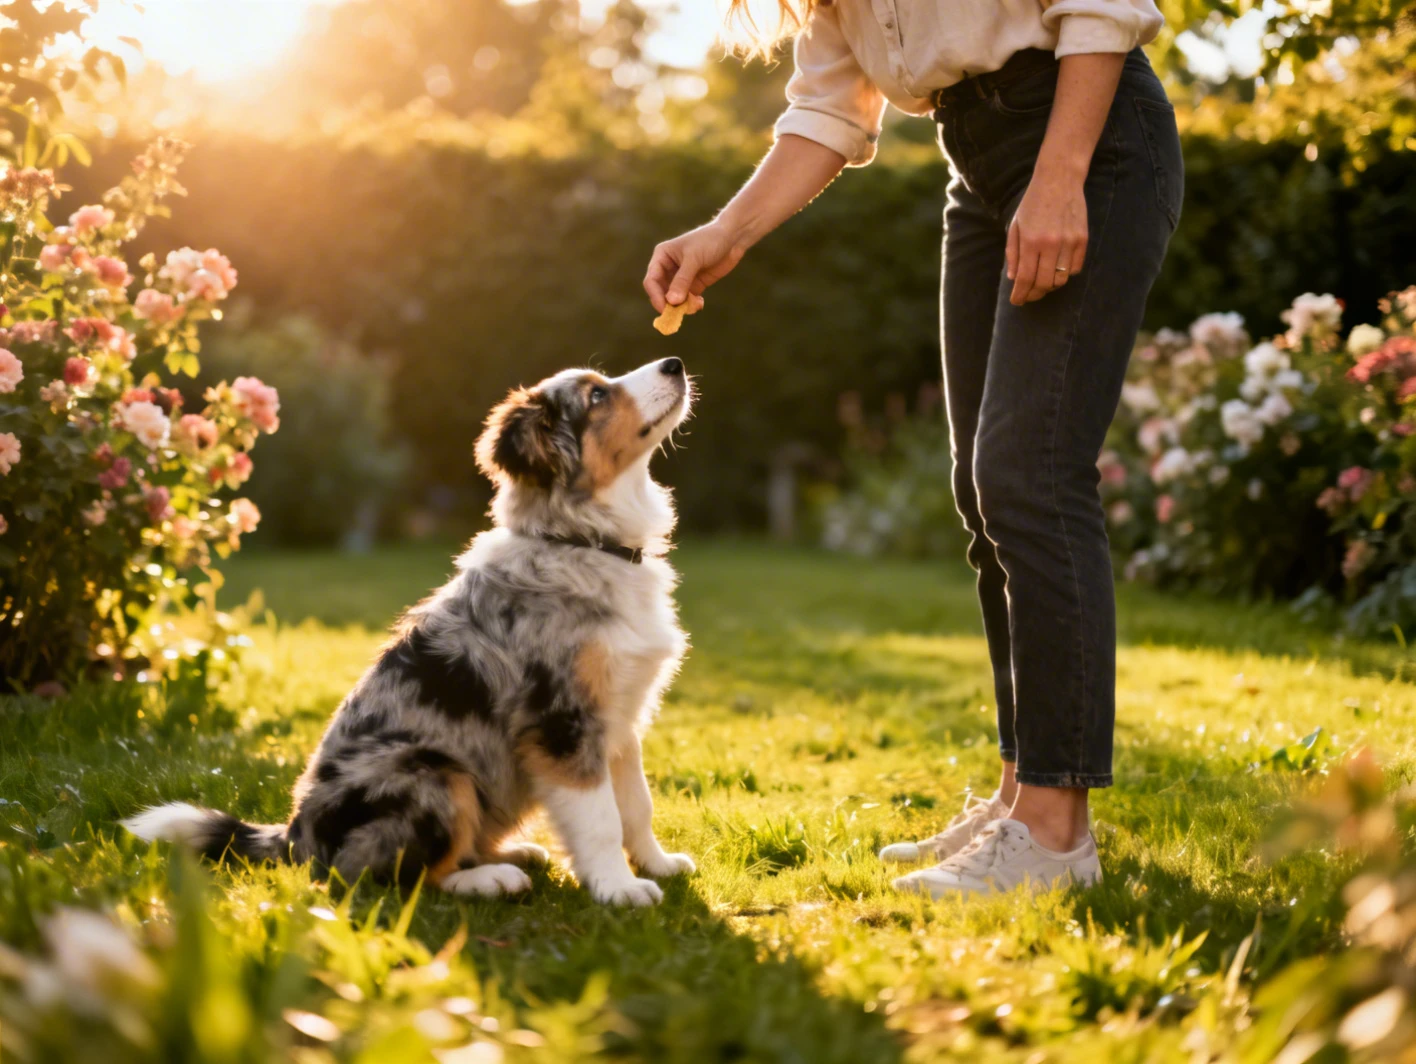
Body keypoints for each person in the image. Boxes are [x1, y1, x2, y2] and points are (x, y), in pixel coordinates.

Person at [643, 0, 1182, 898]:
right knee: (986, 494)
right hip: (975, 171)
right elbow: (829, 113)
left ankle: (1055, 836)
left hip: (1087, 144)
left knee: (1030, 476)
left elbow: (1102, 7)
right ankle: (1022, 795)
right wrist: (723, 234)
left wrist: (1060, 178)